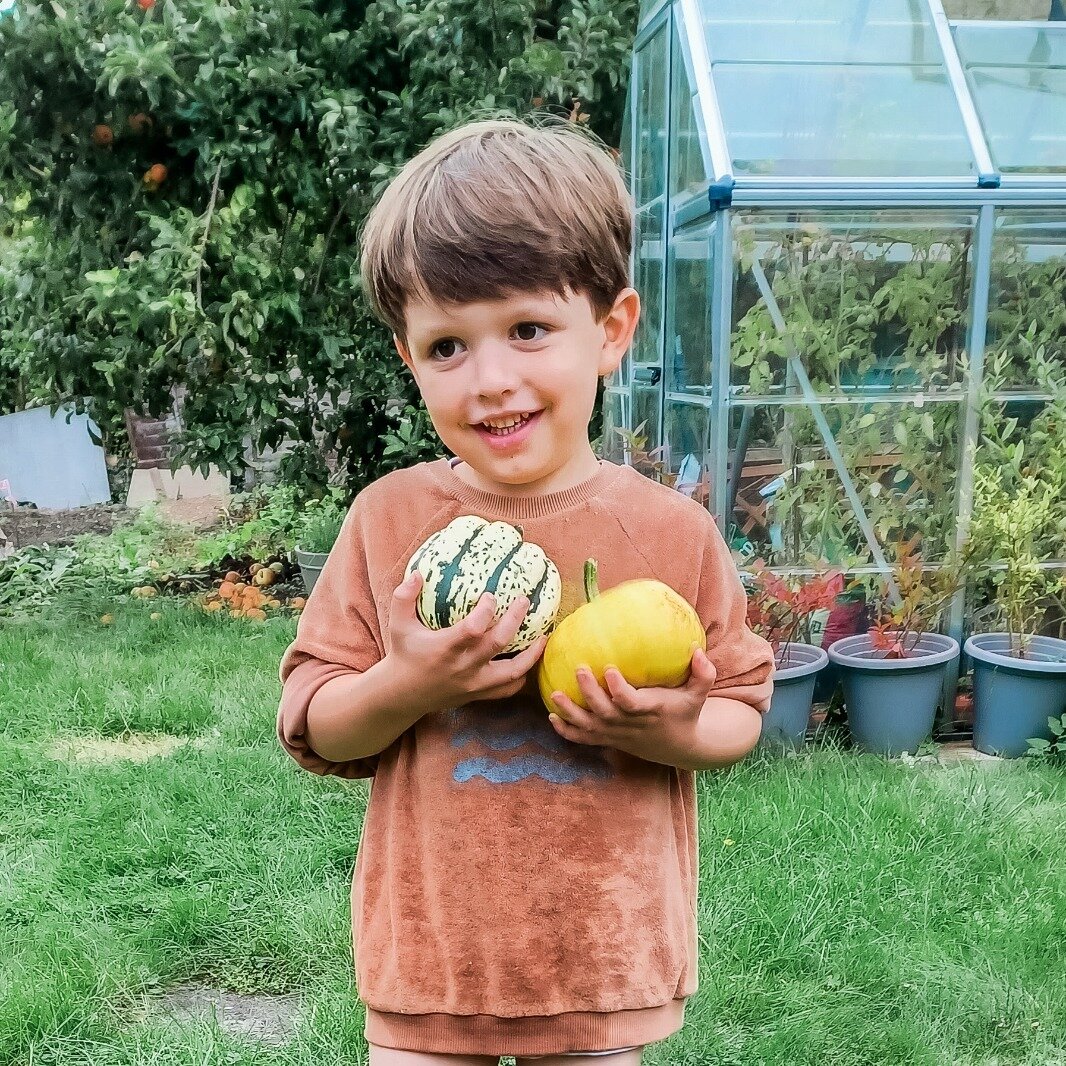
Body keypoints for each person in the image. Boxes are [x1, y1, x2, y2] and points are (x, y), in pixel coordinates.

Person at [276, 116, 774, 1066]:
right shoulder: (388, 524)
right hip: (433, 971)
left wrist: (662, 729)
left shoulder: (672, 535)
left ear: (611, 331)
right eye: (447, 347)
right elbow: (314, 724)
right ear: (408, 357)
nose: (491, 379)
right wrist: (411, 683)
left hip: (601, 966)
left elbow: (741, 711)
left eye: (529, 329)